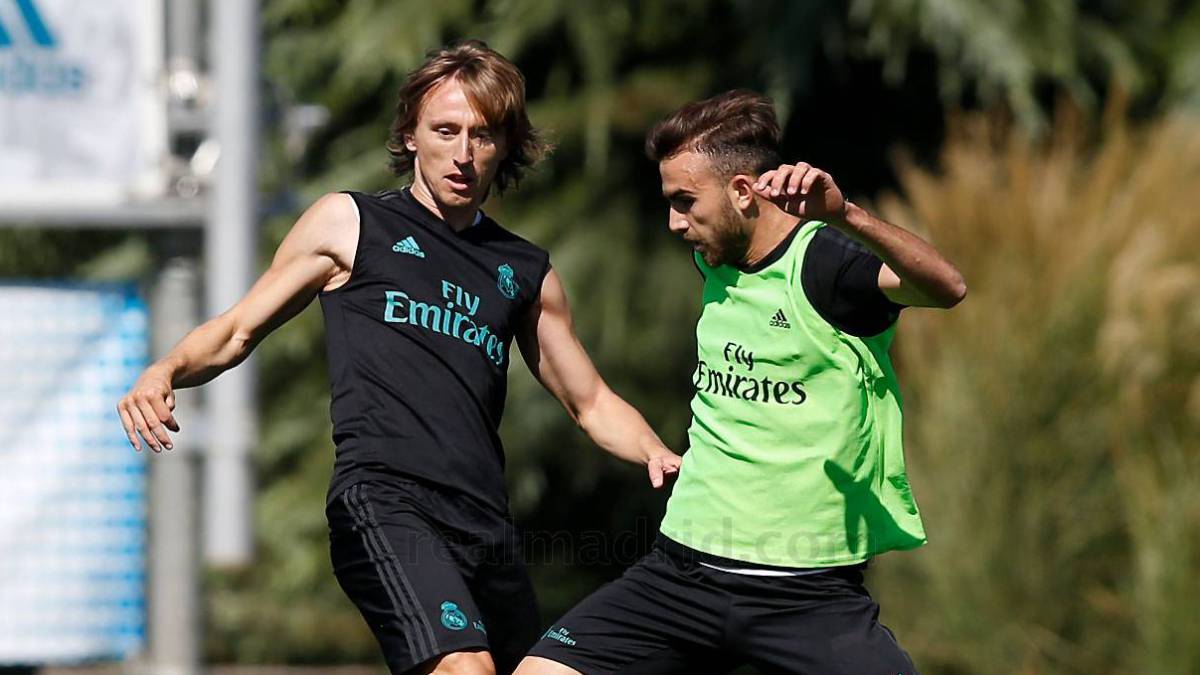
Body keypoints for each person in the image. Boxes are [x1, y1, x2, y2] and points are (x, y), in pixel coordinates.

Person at [116, 41, 681, 675]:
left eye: (483, 136)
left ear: (505, 146)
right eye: (445, 131)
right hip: (385, 500)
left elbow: (591, 401)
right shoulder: (349, 223)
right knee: (465, 668)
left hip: (484, 521)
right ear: (411, 134)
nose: (464, 154)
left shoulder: (526, 272)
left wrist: (654, 451)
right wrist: (165, 370)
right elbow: (237, 329)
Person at [519, 90, 966, 674]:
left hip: (806, 595)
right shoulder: (717, 259)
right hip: (682, 574)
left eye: (685, 202)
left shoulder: (825, 265)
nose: (674, 223)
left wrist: (845, 215)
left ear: (741, 192)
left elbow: (946, 288)